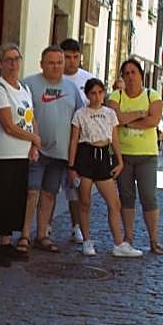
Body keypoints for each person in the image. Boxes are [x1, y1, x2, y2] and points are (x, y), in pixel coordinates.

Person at [0, 44, 40, 266]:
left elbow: (31, 119)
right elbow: (8, 125)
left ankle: (6, 242)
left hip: (20, 155)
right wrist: (32, 139)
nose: (13, 64)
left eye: (16, 59)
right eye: (9, 60)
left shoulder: (24, 89)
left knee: (13, 201)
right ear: (0, 63)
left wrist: (34, 144)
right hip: (2, 154)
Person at [68, 79, 144, 258]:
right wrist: (71, 166)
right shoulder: (80, 114)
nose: (97, 97)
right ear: (87, 95)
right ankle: (87, 240)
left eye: (100, 93)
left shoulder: (109, 113)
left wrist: (119, 161)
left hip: (103, 157)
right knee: (85, 202)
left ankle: (119, 243)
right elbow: (74, 141)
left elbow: (114, 139)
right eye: (93, 93)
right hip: (86, 156)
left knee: (114, 203)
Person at [23, 45, 83, 252]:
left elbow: (79, 120)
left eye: (59, 62)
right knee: (31, 192)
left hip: (60, 154)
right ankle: (23, 235)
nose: (56, 66)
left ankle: (42, 235)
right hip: (36, 150)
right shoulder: (29, 84)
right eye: (51, 62)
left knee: (49, 194)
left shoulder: (72, 89)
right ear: (42, 64)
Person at [108, 58, 163, 254]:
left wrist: (127, 121)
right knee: (126, 198)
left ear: (141, 75)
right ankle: (128, 238)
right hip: (122, 155)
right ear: (122, 77)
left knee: (149, 197)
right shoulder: (116, 96)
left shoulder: (153, 95)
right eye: (127, 73)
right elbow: (115, 118)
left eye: (134, 72)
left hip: (147, 155)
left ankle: (154, 240)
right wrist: (140, 114)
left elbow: (154, 121)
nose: (131, 77)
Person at [60, 38, 93, 243]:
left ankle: (76, 225)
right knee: (49, 186)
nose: (71, 61)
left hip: (80, 142)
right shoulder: (54, 75)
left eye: (75, 57)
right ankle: (44, 227)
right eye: (67, 57)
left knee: (76, 187)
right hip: (56, 138)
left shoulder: (87, 79)